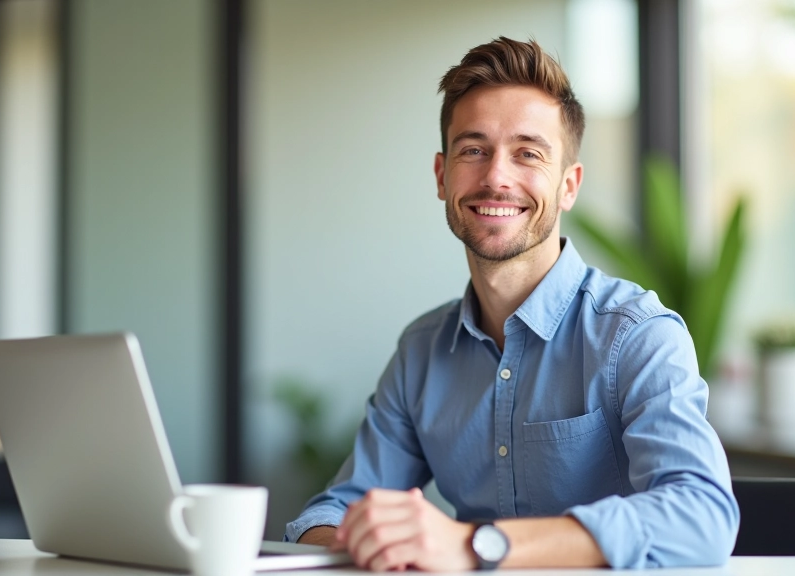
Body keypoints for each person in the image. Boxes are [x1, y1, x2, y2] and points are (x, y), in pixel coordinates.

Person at [284, 36, 739, 571]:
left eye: (528, 153)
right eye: (473, 150)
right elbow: (338, 508)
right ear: (442, 175)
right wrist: (355, 543)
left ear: (569, 185)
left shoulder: (638, 335)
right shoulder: (423, 351)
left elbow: (702, 518)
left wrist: (478, 547)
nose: (497, 177)